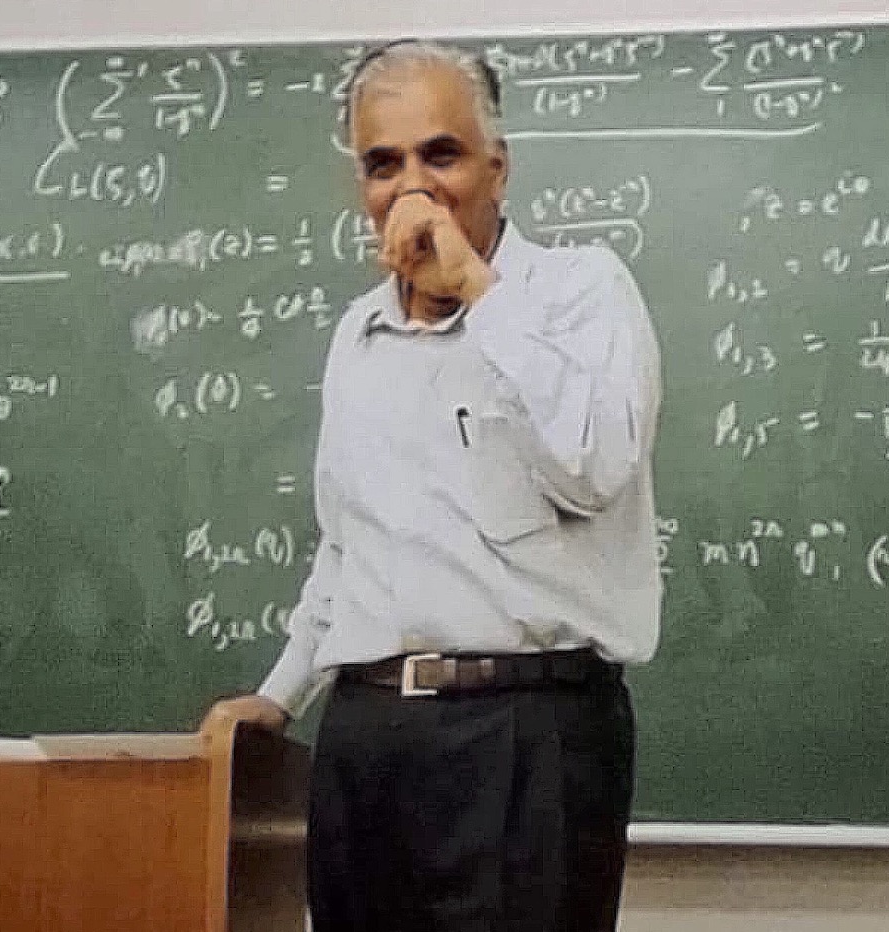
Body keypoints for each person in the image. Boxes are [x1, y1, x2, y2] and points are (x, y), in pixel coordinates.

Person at [203, 38, 662, 932]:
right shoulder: (357, 335)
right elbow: (347, 543)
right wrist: (281, 693)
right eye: (383, 165)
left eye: (440, 155)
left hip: (526, 733)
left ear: (498, 168)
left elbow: (593, 467)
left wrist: (482, 293)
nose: (412, 189)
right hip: (366, 736)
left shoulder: (583, 292)